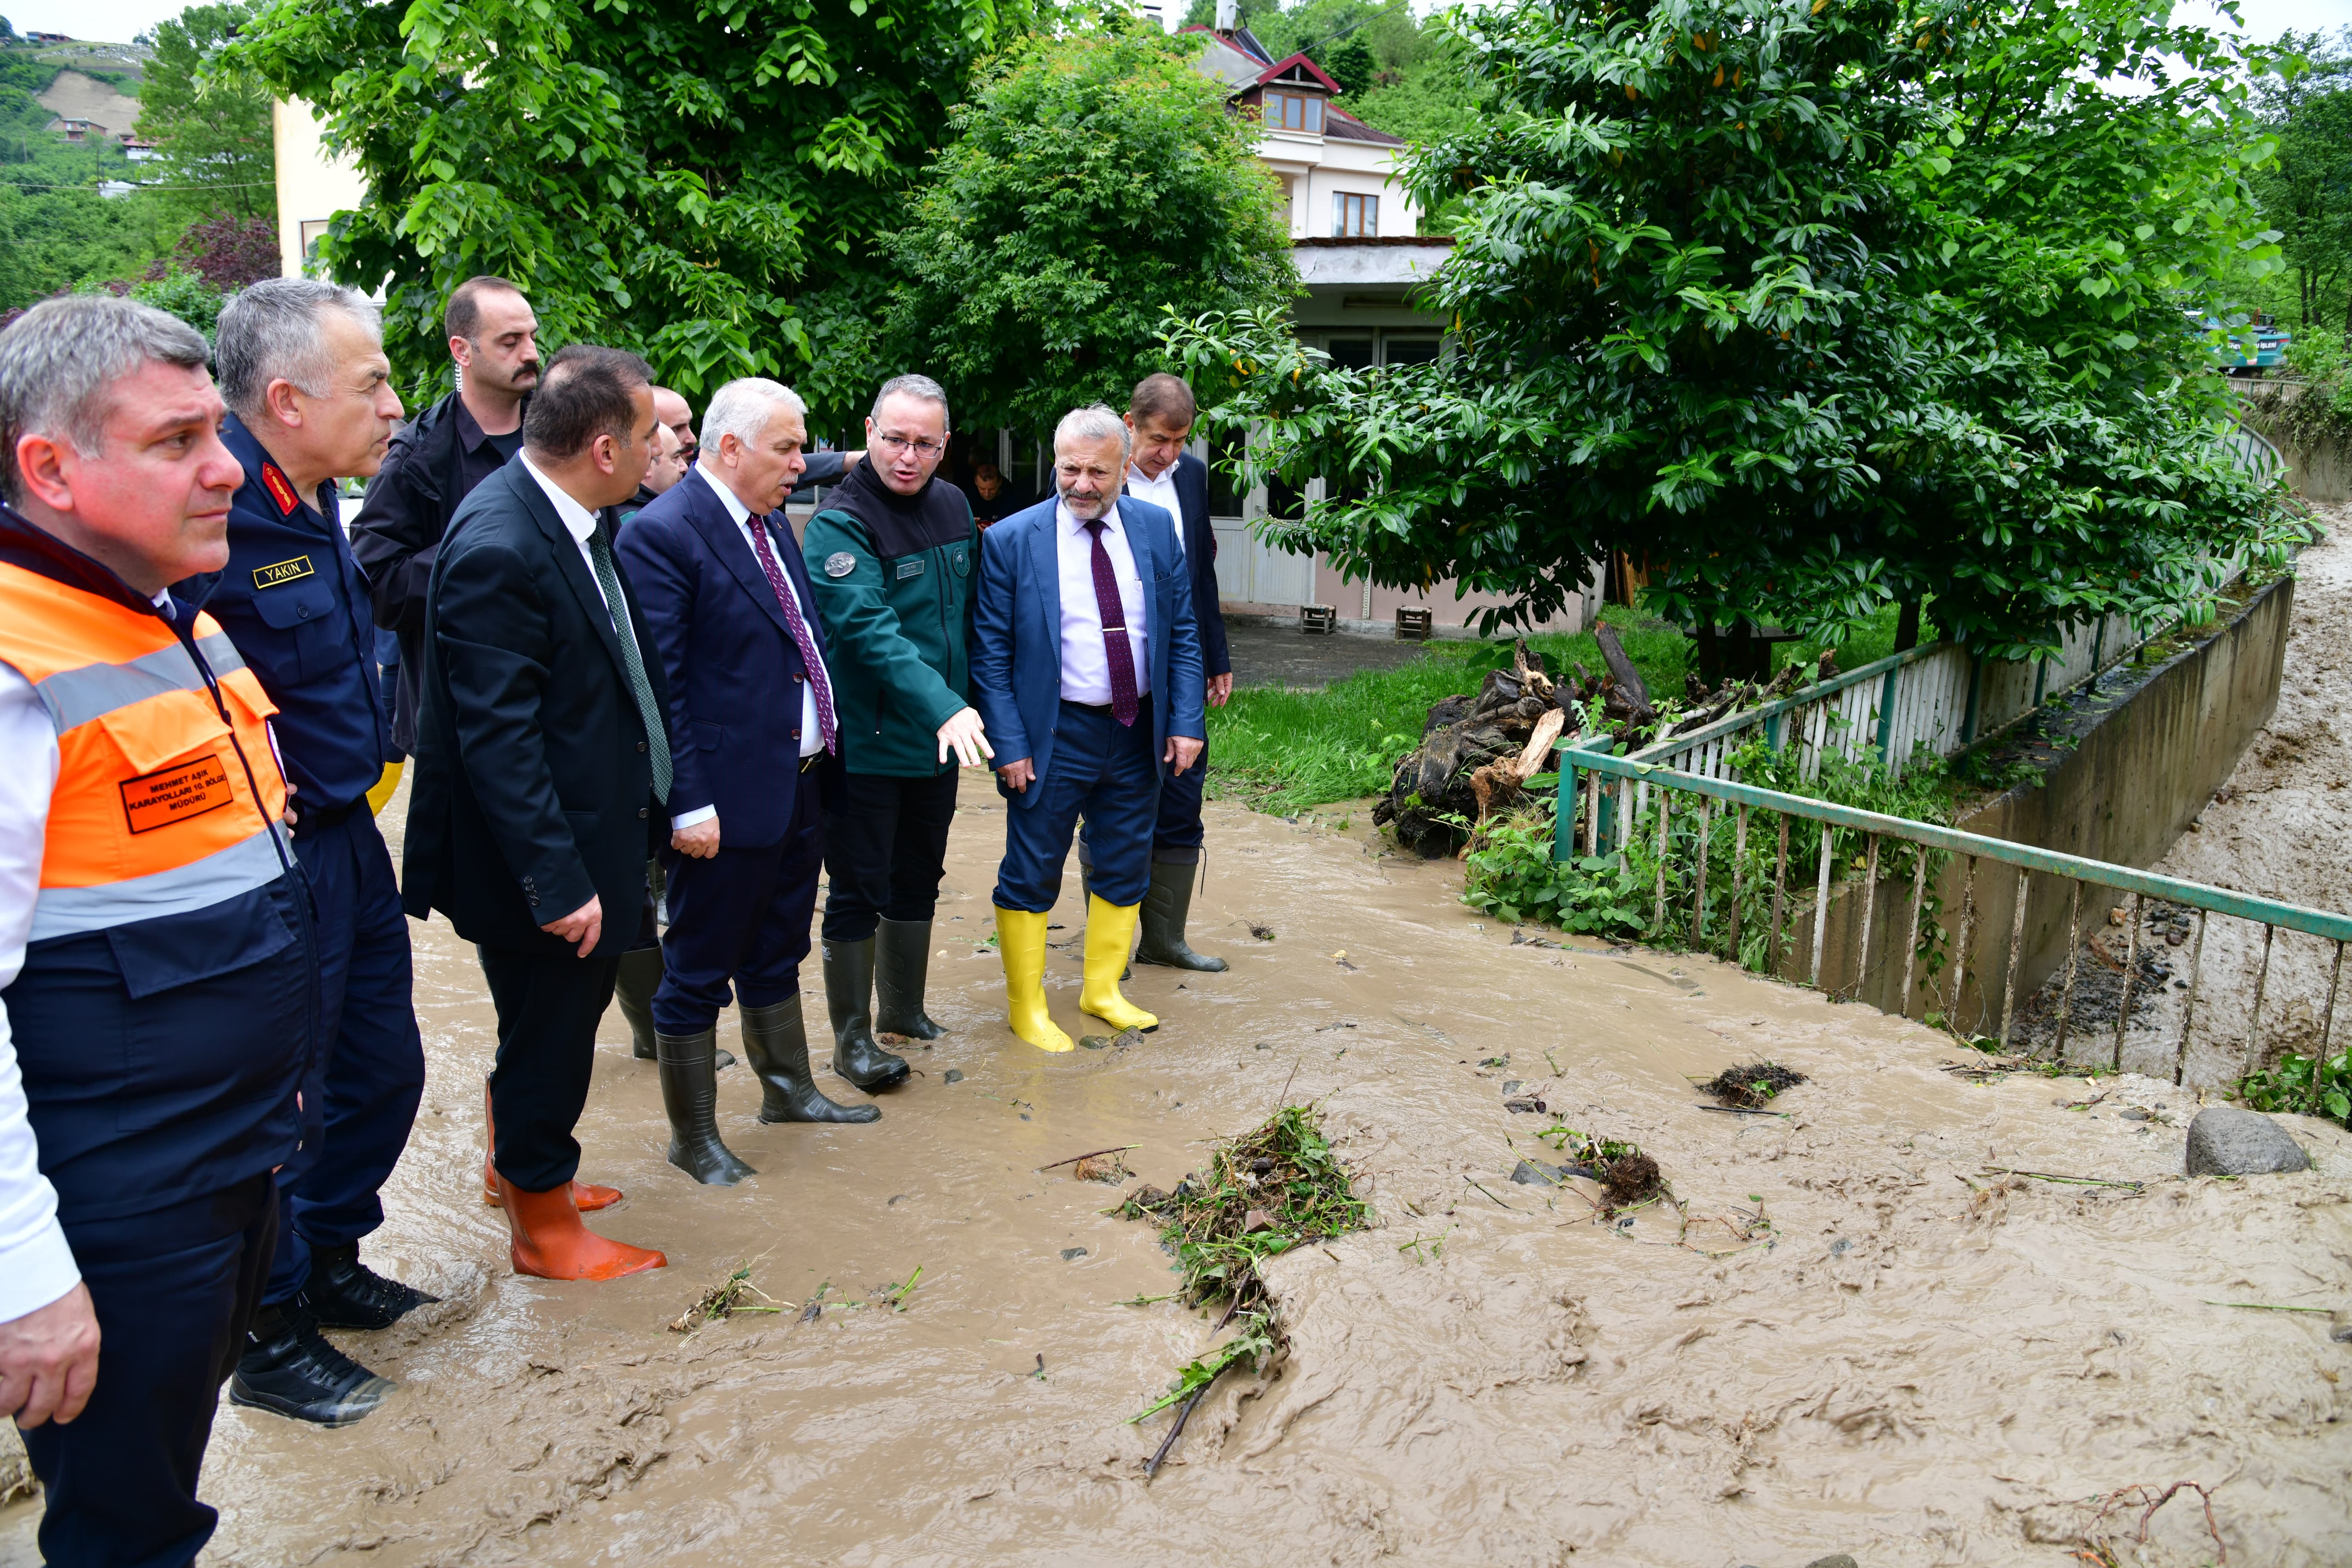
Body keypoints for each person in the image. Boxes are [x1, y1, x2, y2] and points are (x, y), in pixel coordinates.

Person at [0, 295, 311, 1565]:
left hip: (224, 1160)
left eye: (216, 433)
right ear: (51, 468)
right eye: (177, 441)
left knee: (166, 1479)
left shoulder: (175, 613)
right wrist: (27, 1275)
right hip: (118, 1205)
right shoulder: (17, 663)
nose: (227, 468)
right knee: (128, 1528)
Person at [192, 279, 434, 1430]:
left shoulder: (316, 496)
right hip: (273, 854)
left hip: (348, 833)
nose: (395, 404)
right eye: (374, 381)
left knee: (381, 1066)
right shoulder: (214, 507)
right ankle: (271, 1329)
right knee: (287, 1093)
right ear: (289, 400)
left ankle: (332, 1257)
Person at [401, 344, 670, 1279]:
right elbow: (499, 739)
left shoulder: (570, 517)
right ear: (605, 448)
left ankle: (520, 1171)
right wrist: (557, 881)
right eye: (650, 434)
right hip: (540, 857)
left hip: (586, 825)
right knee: (550, 1033)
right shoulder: (501, 544)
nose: (660, 449)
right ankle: (542, 1229)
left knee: (545, 1026)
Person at [617, 377, 873, 1167]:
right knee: (697, 966)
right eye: (788, 448)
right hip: (721, 803)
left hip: (798, 781)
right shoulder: (663, 534)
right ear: (730, 447)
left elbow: (801, 642)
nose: (802, 463)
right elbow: (661, 689)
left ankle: (787, 1090)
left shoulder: (769, 524)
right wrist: (686, 802)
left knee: (778, 947)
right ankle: (693, 1139)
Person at [970, 405, 1205, 1053]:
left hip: (1136, 728)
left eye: (1098, 472)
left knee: (1125, 861)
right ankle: (1027, 1007)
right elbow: (989, 654)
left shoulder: (1154, 528)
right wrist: (1008, 743)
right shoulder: (1011, 539)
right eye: (1069, 469)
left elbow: (1182, 631)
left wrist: (1186, 720)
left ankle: (1102, 990)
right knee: (1031, 868)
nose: (1081, 484)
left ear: (1125, 468)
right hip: (1052, 734)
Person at [803, 375, 989, 1093]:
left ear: (945, 446)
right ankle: (852, 1039)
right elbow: (869, 633)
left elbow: (969, 618)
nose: (908, 457)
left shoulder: (952, 504)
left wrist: (977, 708)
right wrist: (945, 706)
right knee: (858, 886)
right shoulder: (839, 523)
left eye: (925, 444)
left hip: (939, 741)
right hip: (869, 743)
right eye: (895, 439)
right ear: (869, 432)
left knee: (920, 875)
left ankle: (904, 1011)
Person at [350, 275, 539, 756]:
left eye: (532, 336)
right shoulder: (417, 458)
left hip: (562, 709)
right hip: (461, 724)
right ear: (462, 350)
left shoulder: (561, 433)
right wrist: (479, 554)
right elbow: (378, 585)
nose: (531, 353)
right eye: (510, 342)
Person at [1109, 372, 1233, 971]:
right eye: (1159, 439)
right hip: (1112, 668)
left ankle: (1164, 940)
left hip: (1182, 664)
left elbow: (1201, 573)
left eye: (1181, 441)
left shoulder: (1191, 476)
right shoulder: (1095, 477)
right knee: (1115, 805)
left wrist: (1217, 657)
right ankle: (1108, 951)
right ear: (1129, 425)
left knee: (1183, 794)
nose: (1169, 454)